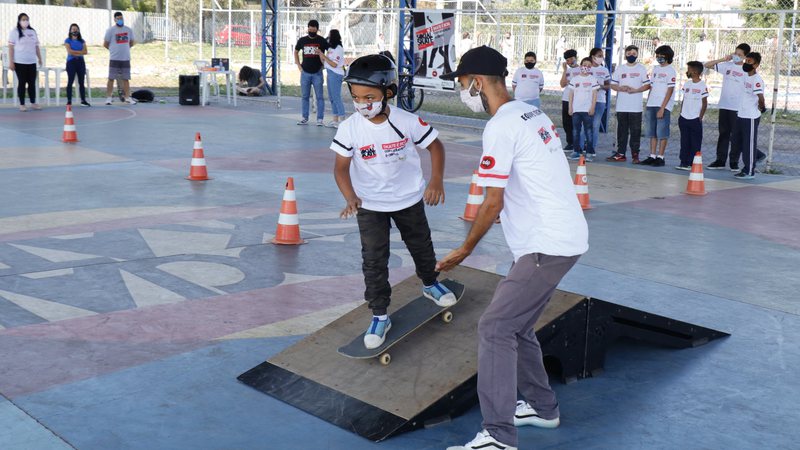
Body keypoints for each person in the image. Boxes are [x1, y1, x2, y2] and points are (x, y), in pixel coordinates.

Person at [437, 46, 588, 450]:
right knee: (517, 326)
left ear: (477, 82)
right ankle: (542, 407)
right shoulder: (531, 112)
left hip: (547, 245)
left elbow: (492, 201)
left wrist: (465, 249)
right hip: (560, 237)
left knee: (495, 327)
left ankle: (499, 437)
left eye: (462, 84)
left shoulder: (502, 125)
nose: (462, 91)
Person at [330, 54, 457, 350]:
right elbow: (340, 168)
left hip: (409, 199)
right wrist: (350, 196)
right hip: (370, 205)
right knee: (374, 261)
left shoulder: (406, 121)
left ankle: (429, 284)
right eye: (356, 96)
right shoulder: (349, 127)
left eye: (369, 96)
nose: (362, 103)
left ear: (389, 92)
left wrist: (436, 180)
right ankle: (379, 315)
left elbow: (435, 147)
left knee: (421, 245)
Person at [704, 43, 751, 171]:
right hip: (725, 105)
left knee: (735, 136)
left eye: (740, 55)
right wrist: (723, 59)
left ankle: (734, 161)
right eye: (735, 53)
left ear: (745, 57)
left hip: (737, 107)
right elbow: (707, 65)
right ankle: (720, 160)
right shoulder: (727, 66)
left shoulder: (747, 70)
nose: (736, 56)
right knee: (723, 133)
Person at [607, 45, 650, 164]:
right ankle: (621, 153)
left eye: (634, 53)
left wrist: (635, 90)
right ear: (625, 54)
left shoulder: (641, 69)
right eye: (629, 53)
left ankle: (635, 155)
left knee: (635, 131)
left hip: (635, 107)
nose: (631, 55)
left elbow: (647, 85)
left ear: (637, 55)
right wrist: (621, 88)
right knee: (622, 131)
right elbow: (613, 84)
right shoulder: (620, 69)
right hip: (622, 106)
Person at [640, 45, 676, 167]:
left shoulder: (671, 70)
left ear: (668, 57)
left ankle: (661, 156)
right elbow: (652, 86)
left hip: (663, 105)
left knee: (662, 132)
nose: (660, 58)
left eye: (662, 56)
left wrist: (662, 107)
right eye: (658, 56)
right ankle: (652, 155)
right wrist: (648, 102)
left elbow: (670, 90)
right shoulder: (655, 69)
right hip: (652, 104)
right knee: (652, 132)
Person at [732, 52, 766, 180]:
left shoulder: (757, 80)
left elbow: (760, 97)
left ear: (756, 64)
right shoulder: (745, 76)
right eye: (746, 61)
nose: (746, 63)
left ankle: (749, 170)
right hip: (741, 114)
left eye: (749, 62)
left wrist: (762, 107)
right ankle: (757, 156)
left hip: (750, 116)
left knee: (748, 143)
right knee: (736, 141)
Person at [294, 20, 328, 126]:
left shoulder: (322, 40)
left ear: (317, 29)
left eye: (314, 27)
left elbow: (330, 52)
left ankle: (320, 119)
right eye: (310, 27)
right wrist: (299, 66)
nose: (312, 29)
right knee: (305, 96)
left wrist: (324, 65)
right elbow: (296, 51)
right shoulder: (302, 40)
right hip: (305, 73)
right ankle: (304, 117)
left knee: (319, 97)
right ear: (307, 28)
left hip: (318, 73)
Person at [676, 61, 708, 170]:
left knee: (695, 142)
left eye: (689, 69)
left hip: (695, 118)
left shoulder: (702, 85)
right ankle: (683, 161)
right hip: (684, 117)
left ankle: (692, 163)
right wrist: (681, 113)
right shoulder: (687, 84)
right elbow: (684, 99)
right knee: (684, 140)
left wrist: (700, 116)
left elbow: (704, 103)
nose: (687, 71)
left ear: (695, 71)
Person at [8, 13, 42, 112]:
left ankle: (33, 102)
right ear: (19, 20)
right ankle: (22, 104)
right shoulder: (14, 32)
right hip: (19, 62)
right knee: (22, 82)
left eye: (27, 19)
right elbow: (11, 48)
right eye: (23, 19)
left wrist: (39, 58)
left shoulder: (32, 31)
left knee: (32, 83)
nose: (25, 21)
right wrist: (11, 61)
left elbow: (36, 46)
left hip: (31, 62)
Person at [568, 57, 600, 161]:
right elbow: (571, 94)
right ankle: (576, 151)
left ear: (591, 68)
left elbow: (595, 95)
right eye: (584, 65)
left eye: (589, 66)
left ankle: (590, 152)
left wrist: (593, 107)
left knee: (588, 131)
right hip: (576, 110)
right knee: (576, 131)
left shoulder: (592, 79)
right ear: (580, 65)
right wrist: (570, 107)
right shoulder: (575, 79)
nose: (586, 67)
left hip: (587, 110)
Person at [103, 12, 136, 105]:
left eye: (121, 18)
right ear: (115, 19)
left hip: (125, 58)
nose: (120, 20)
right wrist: (114, 50)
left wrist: (124, 49)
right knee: (111, 78)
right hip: (114, 58)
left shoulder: (128, 30)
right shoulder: (110, 30)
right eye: (118, 18)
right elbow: (105, 44)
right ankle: (109, 98)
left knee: (126, 79)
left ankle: (127, 98)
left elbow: (132, 42)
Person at [317, 29, 345, 128]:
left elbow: (334, 64)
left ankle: (342, 119)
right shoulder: (330, 48)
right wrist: (321, 54)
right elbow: (325, 63)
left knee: (336, 97)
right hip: (329, 73)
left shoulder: (338, 48)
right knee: (332, 97)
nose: (328, 38)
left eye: (329, 36)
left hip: (336, 73)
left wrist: (324, 56)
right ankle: (335, 120)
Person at [589, 47, 610, 154]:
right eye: (599, 56)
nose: (601, 58)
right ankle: (580, 147)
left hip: (600, 100)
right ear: (593, 57)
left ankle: (592, 148)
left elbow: (608, 85)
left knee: (595, 125)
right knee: (585, 125)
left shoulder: (604, 70)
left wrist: (600, 86)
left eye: (602, 56)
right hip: (586, 100)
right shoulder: (587, 68)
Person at [559, 49, 580, 151]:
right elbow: (562, 84)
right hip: (566, 98)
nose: (570, 61)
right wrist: (564, 71)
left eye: (571, 59)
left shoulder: (581, 69)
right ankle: (570, 142)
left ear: (576, 58)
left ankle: (578, 143)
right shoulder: (567, 71)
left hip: (577, 99)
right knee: (566, 122)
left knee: (576, 122)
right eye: (567, 60)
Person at [64, 23, 90, 107]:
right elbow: (69, 51)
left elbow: (85, 51)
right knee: (70, 81)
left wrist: (75, 52)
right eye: (73, 29)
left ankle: (83, 100)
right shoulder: (68, 40)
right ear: (70, 30)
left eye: (76, 29)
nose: (74, 30)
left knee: (81, 82)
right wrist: (80, 52)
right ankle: (69, 100)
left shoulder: (82, 41)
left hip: (80, 62)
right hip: (71, 62)